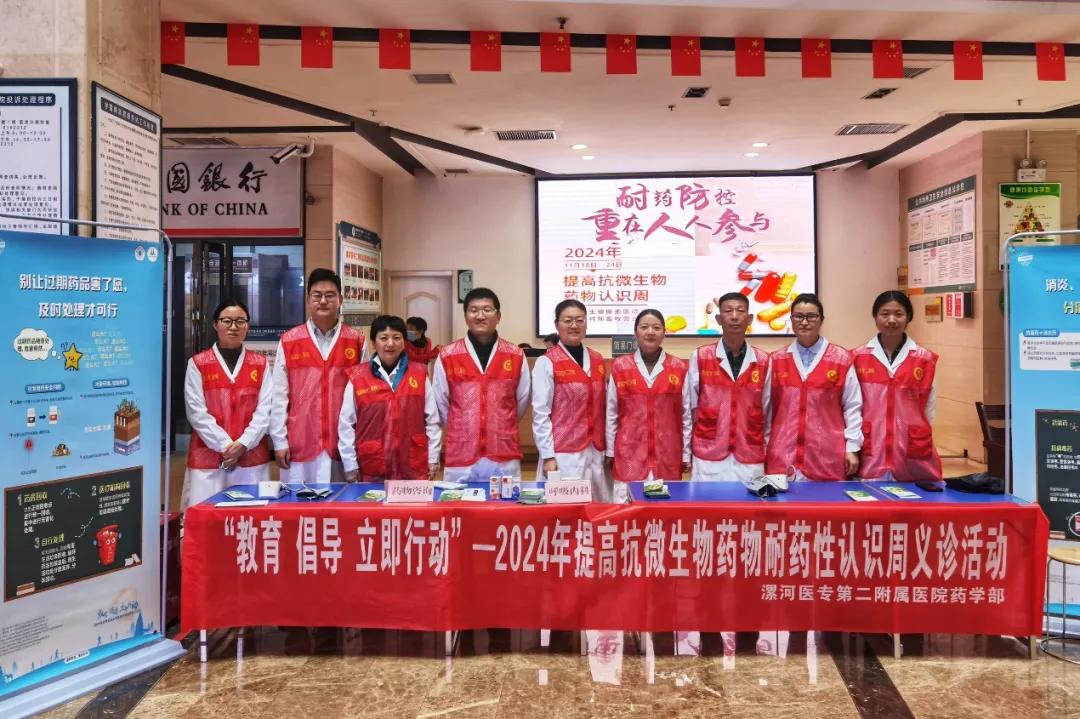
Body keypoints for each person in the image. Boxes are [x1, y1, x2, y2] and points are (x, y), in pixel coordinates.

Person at [270, 268, 366, 484]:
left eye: (330, 295)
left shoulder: (356, 341)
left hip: (342, 442)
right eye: (317, 295)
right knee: (299, 501)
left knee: (342, 501)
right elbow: (279, 395)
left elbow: (363, 396)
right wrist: (279, 440)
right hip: (300, 438)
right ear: (308, 299)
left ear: (340, 300)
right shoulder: (290, 340)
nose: (323, 301)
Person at [432, 287, 531, 482]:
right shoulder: (448, 355)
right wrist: (464, 425)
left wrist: (500, 421)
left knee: (506, 501)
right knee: (458, 502)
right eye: (473, 310)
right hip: (462, 452)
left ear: (498, 316)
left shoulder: (515, 355)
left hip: (503, 450)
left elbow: (521, 400)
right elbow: (441, 403)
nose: (480, 316)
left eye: (487, 310)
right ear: (466, 316)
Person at [182, 300, 272, 508]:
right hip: (208, 456)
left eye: (240, 321)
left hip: (251, 455)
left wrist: (243, 444)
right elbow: (196, 413)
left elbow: (266, 409)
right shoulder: (198, 364)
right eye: (227, 321)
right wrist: (226, 446)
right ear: (215, 324)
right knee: (207, 516)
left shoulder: (260, 364)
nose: (233, 327)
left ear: (247, 325)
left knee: (250, 517)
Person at [766, 293, 862, 481]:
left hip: (827, 454)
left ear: (821, 320)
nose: (804, 322)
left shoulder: (840, 359)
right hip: (783, 453)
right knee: (783, 499)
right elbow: (767, 409)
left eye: (811, 316)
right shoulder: (777, 359)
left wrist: (852, 447)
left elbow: (852, 406)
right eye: (798, 317)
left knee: (824, 499)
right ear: (791, 319)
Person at [339, 315, 441, 481]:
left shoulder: (419, 373)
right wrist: (350, 463)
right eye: (384, 338)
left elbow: (432, 420)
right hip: (373, 463)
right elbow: (346, 424)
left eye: (396, 337)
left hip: (413, 463)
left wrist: (433, 458)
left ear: (404, 342)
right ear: (374, 342)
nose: (390, 343)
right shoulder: (357, 376)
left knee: (412, 499)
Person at [854, 290, 941, 481]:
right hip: (871, 446)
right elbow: (851, 406)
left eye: (899, 314)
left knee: (914, 495)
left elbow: (929, 409)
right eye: (885, 314)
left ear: (908, 317)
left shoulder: (924, 359)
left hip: (911, 447)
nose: (892, 320)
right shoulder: (857, 357)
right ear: (875, 317)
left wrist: (918, 435)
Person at [605, 309, 691, 502]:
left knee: (664, 511)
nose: (650, 332)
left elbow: (685, 416)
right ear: (636, 332)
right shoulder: (620, 367)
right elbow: (611, 413)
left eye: (656, 327)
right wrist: (610, 450)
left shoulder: (678, 367)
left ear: (664, 332)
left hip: (667, 454)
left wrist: (686, 454)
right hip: (629, 453)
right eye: (644, 327)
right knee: (627, 511)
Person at [688, 292, 771, 483]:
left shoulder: (764, 360)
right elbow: (691, 408)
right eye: (728, 311)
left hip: (749, 454)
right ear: (718, 319)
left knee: (750, 502)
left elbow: (767, 410)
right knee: (707, 502)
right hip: (709, 455)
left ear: (749, 319)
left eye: (740, 311)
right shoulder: (700, 357)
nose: (734, 316)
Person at [532, 300, 609, 499]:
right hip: (563, 453)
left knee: (599, 507)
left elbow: (604, 407)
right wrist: (548, 455)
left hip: (596, 450)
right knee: (566, 508)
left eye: (579, 320)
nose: (574, 325)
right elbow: (541, 413)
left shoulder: (598, 359)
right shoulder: (547, 362)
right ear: (557, 325)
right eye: (568, 321)